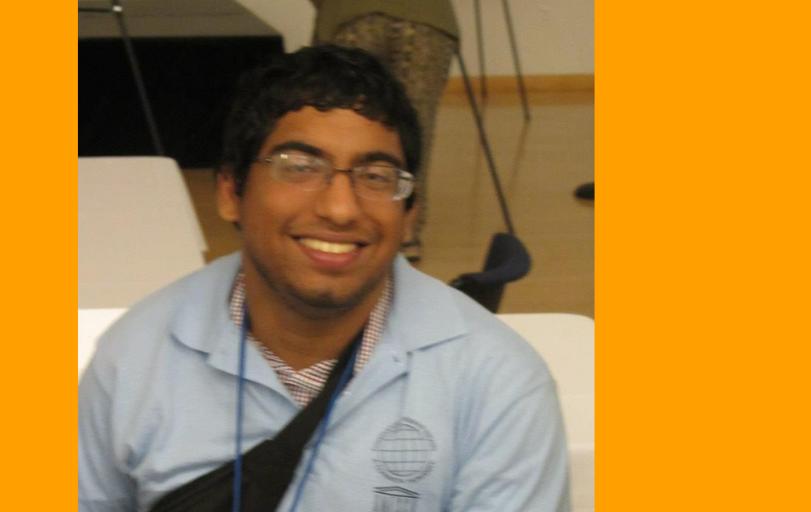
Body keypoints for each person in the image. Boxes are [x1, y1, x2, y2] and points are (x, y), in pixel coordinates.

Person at [79, 45, 569, 512]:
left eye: (376, 176)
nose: (340, 208)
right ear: (231, 192)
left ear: (410, 214)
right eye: (300, 167)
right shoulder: (133, 360)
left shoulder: (499, 384)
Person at [311, 0, 460, 261]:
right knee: (414, 131)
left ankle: (343, 219)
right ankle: (405, 229)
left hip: (350, 15)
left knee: (340, 127)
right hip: (426, 17)